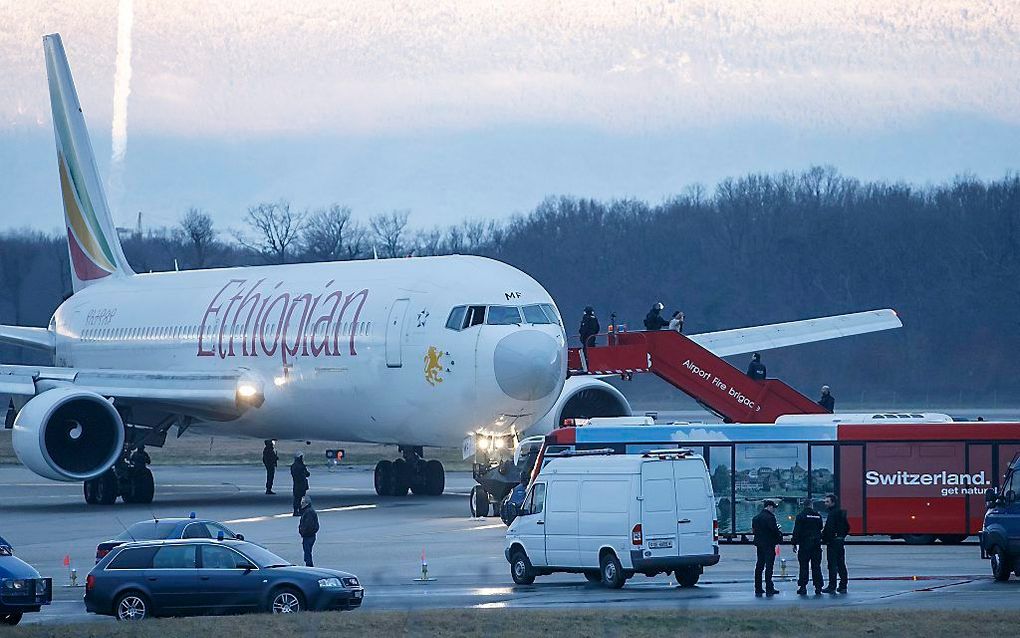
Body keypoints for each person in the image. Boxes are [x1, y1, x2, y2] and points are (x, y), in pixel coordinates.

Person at [791, 498, 824, 595]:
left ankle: (803, 587)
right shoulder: (818, 516)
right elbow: (821, 527)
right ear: (811, 505)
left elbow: (796, 531)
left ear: (804, 505)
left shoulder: (801, 516)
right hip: (816, 544)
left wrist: (794, 543)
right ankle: (818, 587)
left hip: (805, 545)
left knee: (804, 566)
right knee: (816, 566)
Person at [752, 500, 783, 596]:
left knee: (759, 566)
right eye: (773, 508)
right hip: (769, 544)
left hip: (759, 544)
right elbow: (774, 530)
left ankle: (758, 587)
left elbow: (754, 531)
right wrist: (779, 538)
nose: (774, 510)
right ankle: (769, 587)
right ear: (769, 506)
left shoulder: (756, 518)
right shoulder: (770, 518)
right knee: (769, 567)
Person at [821, 493, 850, 593]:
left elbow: (829, 528)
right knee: (841, 564)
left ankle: (832, 585)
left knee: (832, 565)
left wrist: (824, 539)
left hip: (832, 542)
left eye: (827, 502)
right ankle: (843, 585)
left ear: (833, 502)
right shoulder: (841, 513)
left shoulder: (832, 514)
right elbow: (847, 527)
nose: (825, 503)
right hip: (840, 541)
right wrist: (842, 536)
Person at [297, 495, 319, 567]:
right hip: (309, 535)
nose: (301, 504)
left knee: (307, 553)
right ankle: (308, 564)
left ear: (306, 503)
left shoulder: (308, 512)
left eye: (302, 502)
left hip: (308, 536)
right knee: (307, 552)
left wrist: (303, 532)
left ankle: (309, 566)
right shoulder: (308, 511)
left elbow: (308, 525)